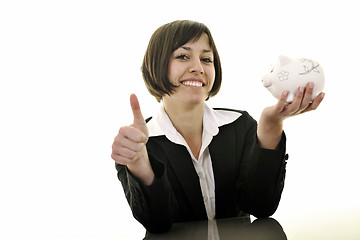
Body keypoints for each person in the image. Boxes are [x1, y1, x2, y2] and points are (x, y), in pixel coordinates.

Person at [111, 20, 325, 233]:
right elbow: (158, 223)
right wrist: (140, 163)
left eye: (206, 59)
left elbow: (261, 207)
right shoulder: (135, 143)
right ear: (156, 64)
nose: (198, 68)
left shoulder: (240, 125)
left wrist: (271, 125)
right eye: (183, 56)